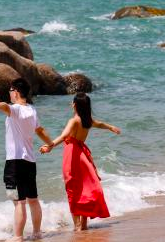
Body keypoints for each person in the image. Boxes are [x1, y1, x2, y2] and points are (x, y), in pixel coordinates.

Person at [40, 92, 120, 231]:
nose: (71, 104)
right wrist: (111, 127)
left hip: (72, 155)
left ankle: (77, 225)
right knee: (85, 188)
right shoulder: (87, 120)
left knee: (73, 189)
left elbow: (64, 135)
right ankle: (83, 225)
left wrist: (50, 146)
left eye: (72, 102)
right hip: (83, 154)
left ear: (75, 105)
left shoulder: (74, 121)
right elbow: (100, 124)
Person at [0, 78, 54, 242]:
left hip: (15, 162)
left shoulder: (16, 110)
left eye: (10, 90)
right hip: (29, 162)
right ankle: (37, 233)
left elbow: (6, 107)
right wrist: (51, 144)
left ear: (16, 92)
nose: (9, 93)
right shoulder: (32, 110)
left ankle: (18, 236)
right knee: (33, 199)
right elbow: (40, 130)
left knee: (19, 202)